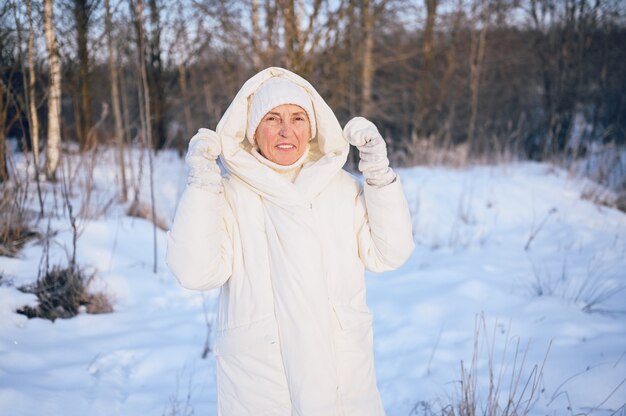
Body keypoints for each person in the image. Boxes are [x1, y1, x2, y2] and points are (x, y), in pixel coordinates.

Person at [166, 67, 414, 416]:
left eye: (298, 117)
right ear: (253, 130)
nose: (286, 130)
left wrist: (377, 172)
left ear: (312, 127)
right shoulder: (231, 195)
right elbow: (194, 272)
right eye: (272, 118)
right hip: (264, 384)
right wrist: (203, 186)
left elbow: (390, 253)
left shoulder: (340, 188)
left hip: (343, 381)